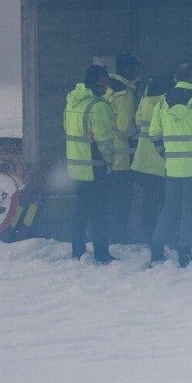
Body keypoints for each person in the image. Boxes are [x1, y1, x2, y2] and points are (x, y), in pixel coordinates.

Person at [147, 61, 192, 268]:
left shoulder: (162, 102)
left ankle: (156, 247)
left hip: (172, 166)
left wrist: (165, 153)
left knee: (169, 208)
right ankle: (184, 252)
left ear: (175, 79)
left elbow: (153, 133)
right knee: (189, 210)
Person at [63, 63, 118, 264]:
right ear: (99, 82)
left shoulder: (71, 103)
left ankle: (77, 251)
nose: (107, 86)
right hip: (96, 169)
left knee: (80, 212)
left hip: (76, 169)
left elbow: (66, 129)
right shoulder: (99, 107)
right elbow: (105, 142)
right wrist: (111, 162)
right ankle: (102, 253)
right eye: (106, 80)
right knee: (100, 213)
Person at [129, 73, 171, 242]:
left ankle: (147, 235)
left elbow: (138, 123)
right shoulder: (166, 105)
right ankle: (159, 238)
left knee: (149, 204)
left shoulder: (145, 101)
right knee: (164, 205)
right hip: (160, 163)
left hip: (142, 162)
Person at [105, 54, 141, 240]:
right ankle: (119, 240)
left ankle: (108, 237)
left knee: (107, 203)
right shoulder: (124, 94)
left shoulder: (106, 89)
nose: (137, 74)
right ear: (129, 70)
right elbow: (126, 127)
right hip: (121, 161)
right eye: (135, 69)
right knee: (121, 204)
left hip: (104, 157)